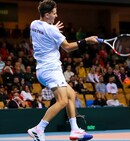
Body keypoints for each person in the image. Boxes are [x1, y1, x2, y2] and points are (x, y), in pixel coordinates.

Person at [27, 0, 98, 141]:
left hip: (42, 70)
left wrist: (51, 30)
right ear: (47, 15)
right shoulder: (52, 29)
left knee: (71, 95)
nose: (56, 15)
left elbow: (35, 38)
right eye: (54, 13)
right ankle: (38, 129)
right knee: (62, 101)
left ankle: (75, 130)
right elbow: (67, 47)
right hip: (51, 69)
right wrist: (86, 41)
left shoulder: (34, 24)